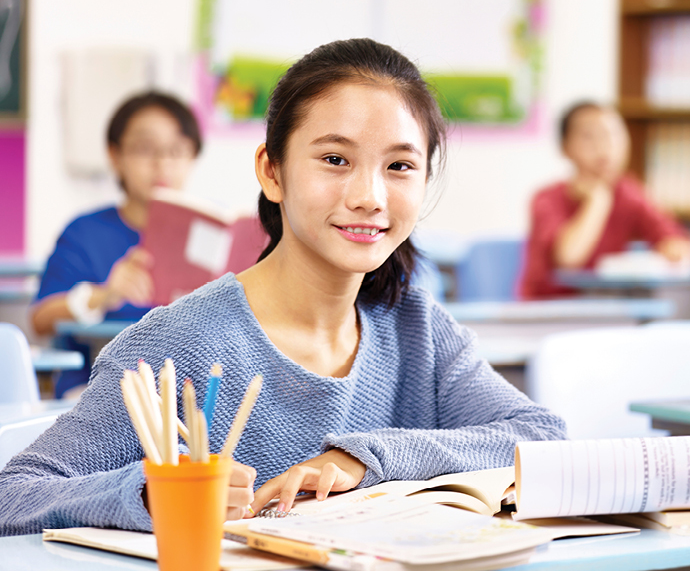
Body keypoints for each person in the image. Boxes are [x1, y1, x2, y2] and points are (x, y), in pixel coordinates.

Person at [0, 38, 566, 536]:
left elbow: (543, 435)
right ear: (272, 171)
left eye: (399, 167)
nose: (370, 196)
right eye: (335, 159)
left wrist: (365, 459)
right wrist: (149, 491)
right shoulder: (177, 345)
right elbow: (14, 493)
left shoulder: (418, 327)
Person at [30, 92, 203, 399]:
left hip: (190, 393)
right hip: (95, 390)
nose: (162, 163)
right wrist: (103, 296)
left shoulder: (211, 235)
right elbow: (40, 319)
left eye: (176, 150)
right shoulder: (84, 232)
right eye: (145, 148)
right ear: (115, 155)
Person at [519, 101, 690, 298]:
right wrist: (597, 201)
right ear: (565, 147)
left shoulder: (629, 193)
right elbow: (569, 258)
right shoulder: (546, 199)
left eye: (612, 135)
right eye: (588, 137)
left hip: (607, 308)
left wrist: (673, 251)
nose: (603, 146)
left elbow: (676, 242)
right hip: (548, 310)